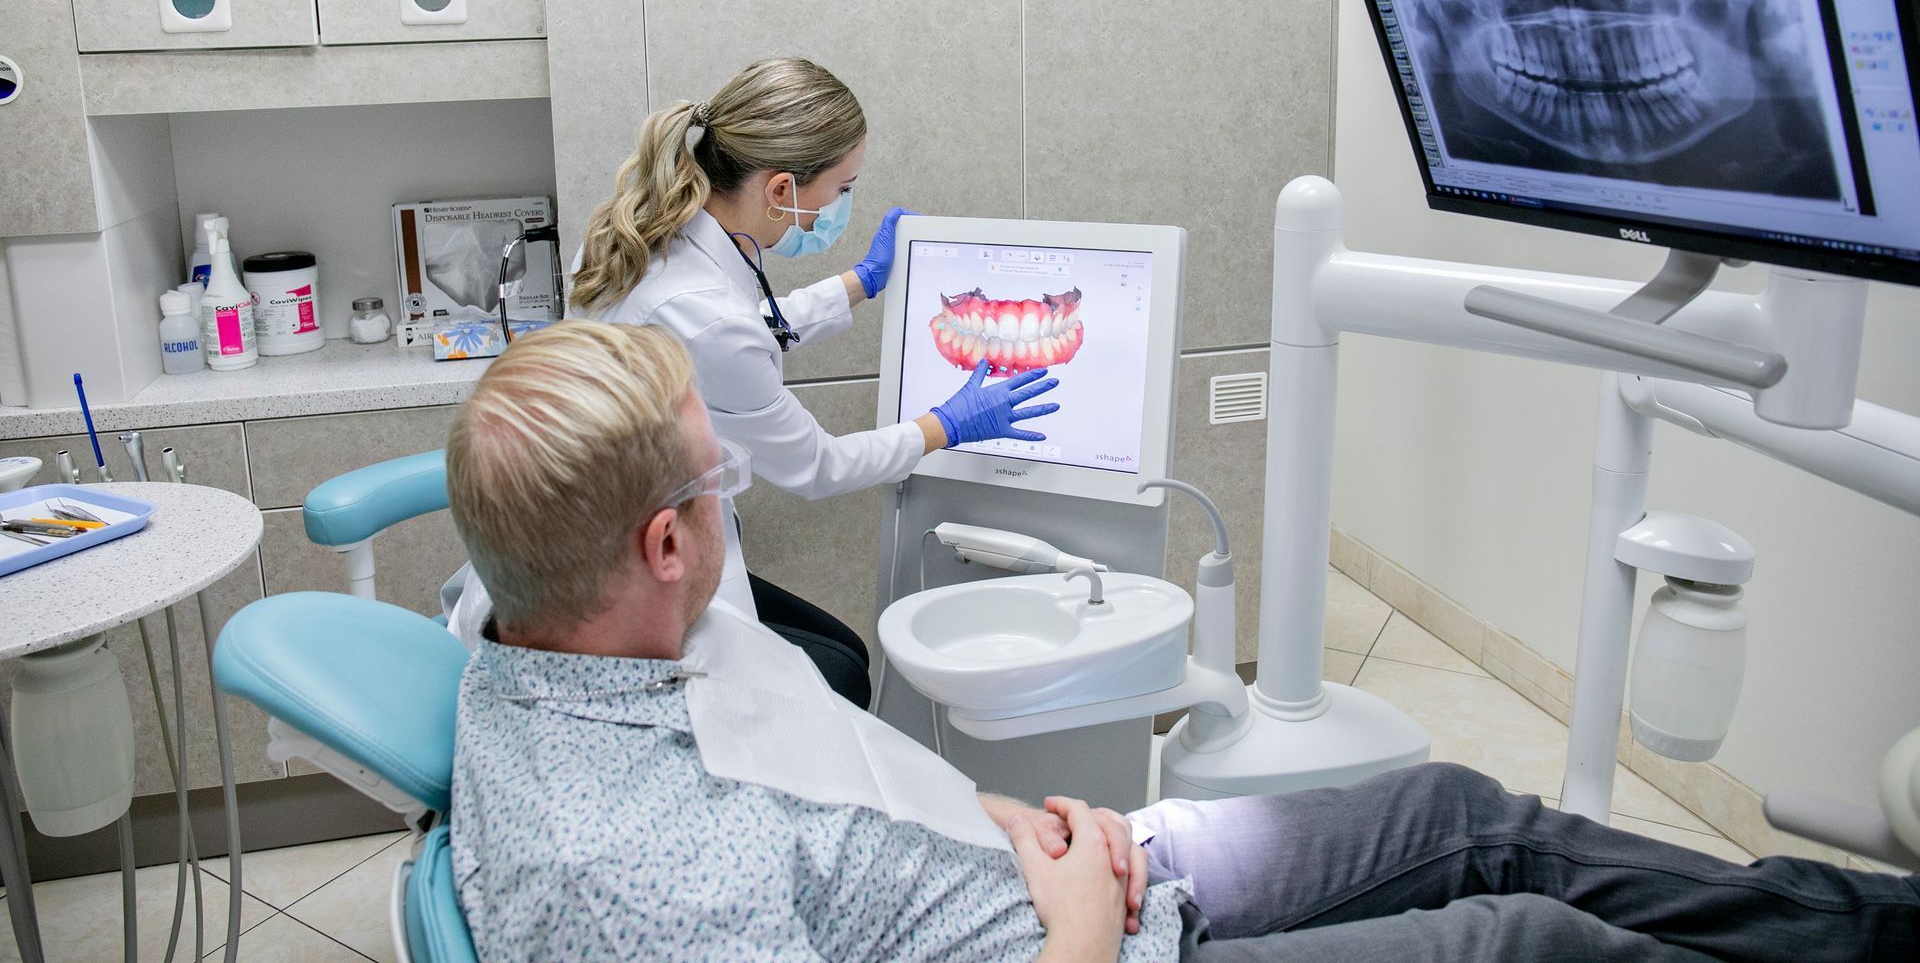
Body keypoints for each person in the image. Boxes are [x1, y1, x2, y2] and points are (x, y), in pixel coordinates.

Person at [445, 320, 1919, 963]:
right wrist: (1081, 922)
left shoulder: (523, 637)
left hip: (1058, 877)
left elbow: (821, 818)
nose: (737, 496)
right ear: (658, 548)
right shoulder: (614, 875)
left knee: (1469, 817)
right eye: (720, 482)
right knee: (1528, 941)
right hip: (1104, 943)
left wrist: (1003, 825)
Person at [445, 56, 1060, 704]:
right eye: (842, 189)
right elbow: (818, 466)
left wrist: (858, 283)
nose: (841, 205)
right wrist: (946, 426)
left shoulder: (645, 230)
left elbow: (732, 332)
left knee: (845, 650)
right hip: (615, 583)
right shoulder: (704, 311)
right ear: (780, 189)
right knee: (843, 673)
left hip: (590, 545)